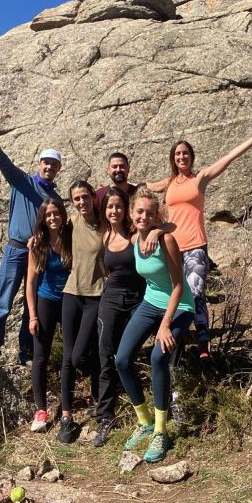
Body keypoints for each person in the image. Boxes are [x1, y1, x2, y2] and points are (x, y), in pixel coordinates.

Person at [146, 121, 252, 358]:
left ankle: (203, 341)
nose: (181, 157)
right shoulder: (169, 183)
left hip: (195, 246)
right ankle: (176, 341)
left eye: (185, 153)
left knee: (195, 293)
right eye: (177, 154)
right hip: (172, 248)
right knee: (173, 295)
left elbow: (228, 159)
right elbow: (143, 187)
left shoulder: (199, 179)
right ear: (173, 159)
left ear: (191, 157)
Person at [0, 108, 63, 369]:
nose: (49, 167)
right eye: (46, 162)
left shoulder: (56, 201)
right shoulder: (22, 182)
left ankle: (25, 352)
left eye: (54, 164)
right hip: (15, 251)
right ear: (39, 165)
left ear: (58, 169)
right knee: (3, 301)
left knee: (30, 305)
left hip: (39, 254)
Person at [115, 188, 195, 463]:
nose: (144, 216)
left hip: (180, 307)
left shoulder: (166, 239)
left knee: (158, 357)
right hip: (150, 303)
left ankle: (161, 431)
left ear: (156, 215)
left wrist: (165, 325)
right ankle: (145, 421)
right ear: (131, 212)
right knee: (122, 360)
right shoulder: (136, 238)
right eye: (139, 211)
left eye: (150, 213)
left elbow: (178, 286)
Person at [91, 187, 146, 447]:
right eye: (110, 207)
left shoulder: (135, 235)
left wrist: (156, 230)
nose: (114, 211)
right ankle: (105, 417)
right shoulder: (104, 237)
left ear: (126, 210)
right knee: (106, 358)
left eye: (118, 207)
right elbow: (105, 270)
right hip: (111, 299)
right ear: (105, 211)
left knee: (136, 355)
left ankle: (151, 410)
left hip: (137, 298)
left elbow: (163, 227)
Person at [57, 180, 105, 443]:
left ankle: (99, 398)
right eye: (76, 199)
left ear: (92, 197)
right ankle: (66, 417)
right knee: (68, 357)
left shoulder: (104, 224)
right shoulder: (71, 223)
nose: (81, 202)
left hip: (95, 295)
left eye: (85, 197)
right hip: (71, 292)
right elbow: (49, 231)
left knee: (82, 357)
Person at [24, 199, 72, 432]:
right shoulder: (37, 245)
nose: (53, 218)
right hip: (46, 300)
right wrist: (32, 316)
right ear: (43, 219)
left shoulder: (71, 238)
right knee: (40, 356)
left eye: (56, 214)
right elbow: (30, 284)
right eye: (48, 215)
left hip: (70, 300)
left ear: (62, 215)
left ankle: (68, 404)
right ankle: (41, 410)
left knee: (71, 355)